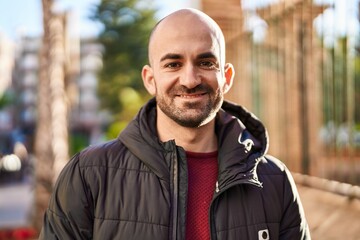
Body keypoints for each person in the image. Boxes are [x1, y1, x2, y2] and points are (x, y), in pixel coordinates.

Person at [39, 8, 310, 240]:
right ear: (150, 79)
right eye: (173, 64)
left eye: (205, 62)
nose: (190, 79)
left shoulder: (275, 181)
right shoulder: (88, 176)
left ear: (226, 76)